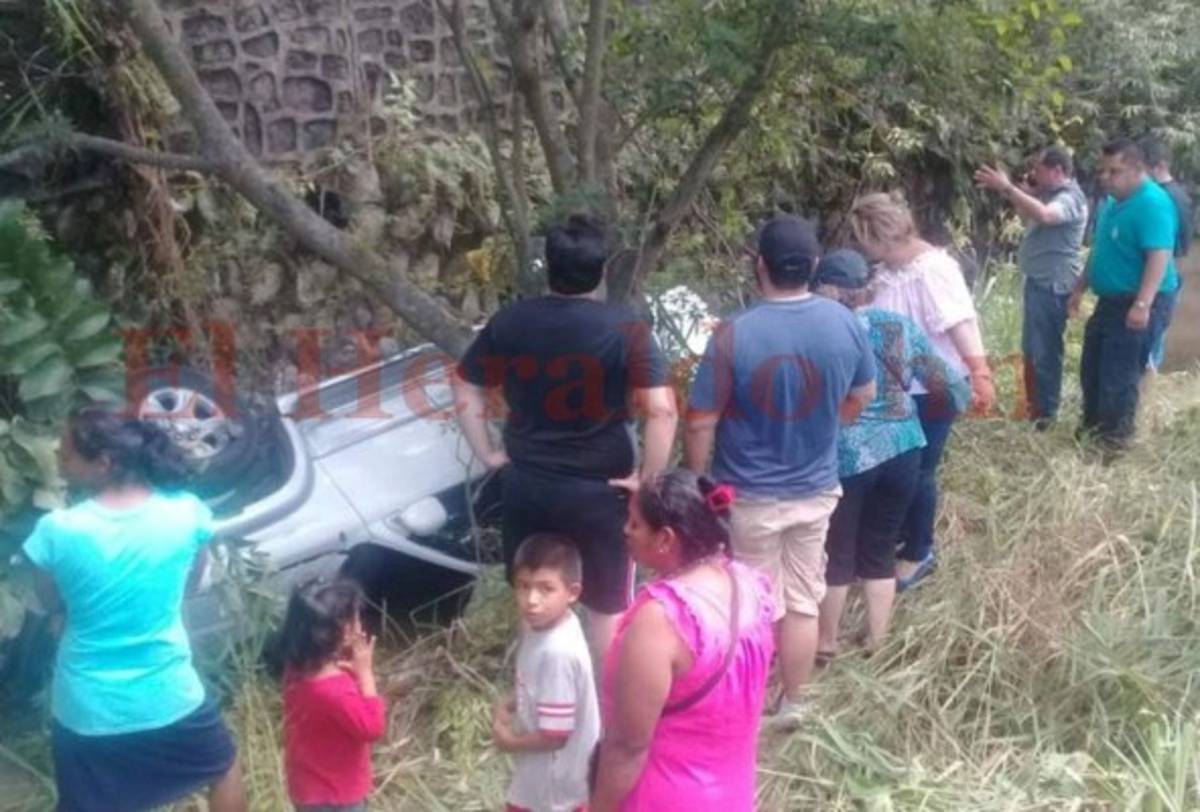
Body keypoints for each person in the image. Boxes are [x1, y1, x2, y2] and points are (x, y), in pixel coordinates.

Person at [454, 214, 678, 660]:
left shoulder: (511, 321)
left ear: (548, 265)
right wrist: (647, 482)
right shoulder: (625, 328)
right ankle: (604, 709)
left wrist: (487, 452)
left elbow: (465, 384)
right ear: (601, 271)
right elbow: (663, 409)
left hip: (528, 484)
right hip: (600, 493)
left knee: (534, 596)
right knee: (607, 605)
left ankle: (538, 704)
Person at [684, 215, 876, 721]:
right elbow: (864, 394)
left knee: (755, 603)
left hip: (747, 496)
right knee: (803, 599)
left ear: (759, 265)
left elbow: (701, 422)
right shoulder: (843, 323)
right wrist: (827, 427)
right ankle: (793, 702)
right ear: (813, 266)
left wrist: (697, 482)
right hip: (816, 488)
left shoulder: (733, 336)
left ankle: (748, 702)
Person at [19, 406, 246, 812]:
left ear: (103, 463)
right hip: (169, 694)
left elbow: (51, 603)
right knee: (222, 768)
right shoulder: (186, 513)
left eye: (67, 452)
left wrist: (67, 616)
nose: (57, 458)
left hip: (89, 707)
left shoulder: (58, 531)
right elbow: (189, 586)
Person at [810, 250, 970, 660]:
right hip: (903, 448)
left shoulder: (820, 332)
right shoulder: (896, 326)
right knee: (880, 549)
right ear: (867, 289)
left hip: (846, 454)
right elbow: (953, 388)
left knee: (838, 551)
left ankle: (826, 643)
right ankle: (876, 641)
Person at [591, 470, 774, 811]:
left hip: (665, 795)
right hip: (733, 793)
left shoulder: (659, 621)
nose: (625, 531)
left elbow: (627, 747)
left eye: (634, 523)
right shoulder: (748, 585)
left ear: (665, 539)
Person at [848, 193, 995, 589]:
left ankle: (919, 551)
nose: (861, 248)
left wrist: (980, 372)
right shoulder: (890, 269)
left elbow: (959, 323)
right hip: (898, 388)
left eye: (863, 239)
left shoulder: (931, 270)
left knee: (920, 470)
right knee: (899, 467)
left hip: (932, 386)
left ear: (878, 235)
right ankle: (898, 535)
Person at [1069, 138, 1179, 453]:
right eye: (1102, 171)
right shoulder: (1112, 203)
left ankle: (1113, 443)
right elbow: (1100, 251)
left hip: (1141, 300)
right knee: (1092, 365)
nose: (1105, 178)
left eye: (1114, 172)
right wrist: (1079, 287)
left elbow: (1159, 255)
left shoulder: (1152, 203)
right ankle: (1091, 431)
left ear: (1137, 169)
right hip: (1111, 301)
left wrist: (1142, 304)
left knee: (1120, 372)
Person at [975, 146, 1088, 427]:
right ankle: (1033, 407)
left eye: (1039, 169)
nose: (1034, 174)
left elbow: (1047, 216)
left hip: (1053, 286)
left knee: (1046, 351)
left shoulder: (1070, 199)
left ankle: (1045, 415)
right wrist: (1013, 191)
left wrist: (1009, 188)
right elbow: (1030, 217)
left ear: (1057, 171)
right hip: (1038, 283)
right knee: (1031, 349)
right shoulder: (1047, 196)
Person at [492, 534, 600, 812]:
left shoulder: (556, 654)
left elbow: (555, 735)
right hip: (555, 769)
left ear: (573, 592)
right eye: (523, 586)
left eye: (546, 588)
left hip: (554, 778)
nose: (531, 600)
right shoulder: (554, 624)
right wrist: (513, 700)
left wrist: (510, 743)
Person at [279, 579, 386, 812]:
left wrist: (346, 670)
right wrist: (366, 673)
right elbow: (372, 727)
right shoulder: (337, 691)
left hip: (305, 786)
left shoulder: (295, 669)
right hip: (339, 795)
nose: (360, 625)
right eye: (356, 618)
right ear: (345, 630)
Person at [1139, 135, 1193, 373]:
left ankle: (1146, 395)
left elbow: (1171, 246)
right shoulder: (1179, 194)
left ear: (1157, 166)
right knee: (1154, 339)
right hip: (1167, 274)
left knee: (1150, 344)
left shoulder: (1164, 198)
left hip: (1162, 277)